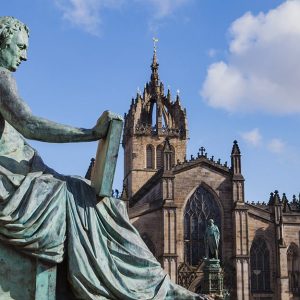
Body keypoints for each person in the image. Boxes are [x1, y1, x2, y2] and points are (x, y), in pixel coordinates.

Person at [0, 16, 206, 299]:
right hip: (10, 182)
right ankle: (157, 289)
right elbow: (27, 124)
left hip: (20, 175)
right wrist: (93, 133)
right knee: (90, 203)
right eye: (19, 47)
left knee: (101, 202)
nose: (25, 54)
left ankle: (157, 287)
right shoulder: (0, 77)